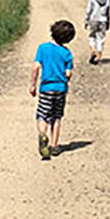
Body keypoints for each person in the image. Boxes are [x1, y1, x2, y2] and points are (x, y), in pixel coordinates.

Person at [30, 20, 74, 160]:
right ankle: (54, 146)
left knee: (42, 114)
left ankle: (43, 134)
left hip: (46, 89)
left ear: (52, 32)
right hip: (60, 89)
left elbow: (36, 67)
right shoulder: (67, 53)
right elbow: (68, 74)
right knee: (57, 117)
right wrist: (65, 81)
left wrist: (33, 85)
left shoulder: (42, 48)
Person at [84, 0, 110, 64]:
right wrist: (108, 22)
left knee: (92, 35)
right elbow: (108, 12)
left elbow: (88, 10)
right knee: (101, 38)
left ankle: (93, 50)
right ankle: (99, 56)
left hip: (93, 19)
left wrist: (86, 20)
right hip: (103, 20)